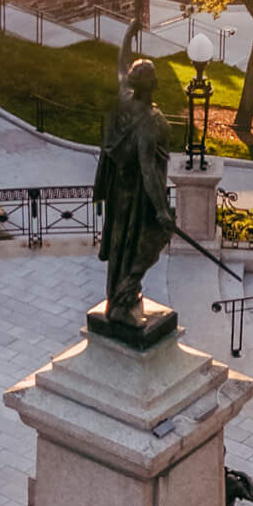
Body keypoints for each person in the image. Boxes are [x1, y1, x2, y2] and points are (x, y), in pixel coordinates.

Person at [94, 59, 175, 320]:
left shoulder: (125, 101)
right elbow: (148, 168)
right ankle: (122, 298)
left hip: (119, 192)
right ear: (154, 85)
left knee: (121, 246)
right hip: (138, 199)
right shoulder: (152, 121)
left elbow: (119, 65)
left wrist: (129, 33)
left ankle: (120, 294)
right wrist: (162, 209)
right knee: (146, 242)